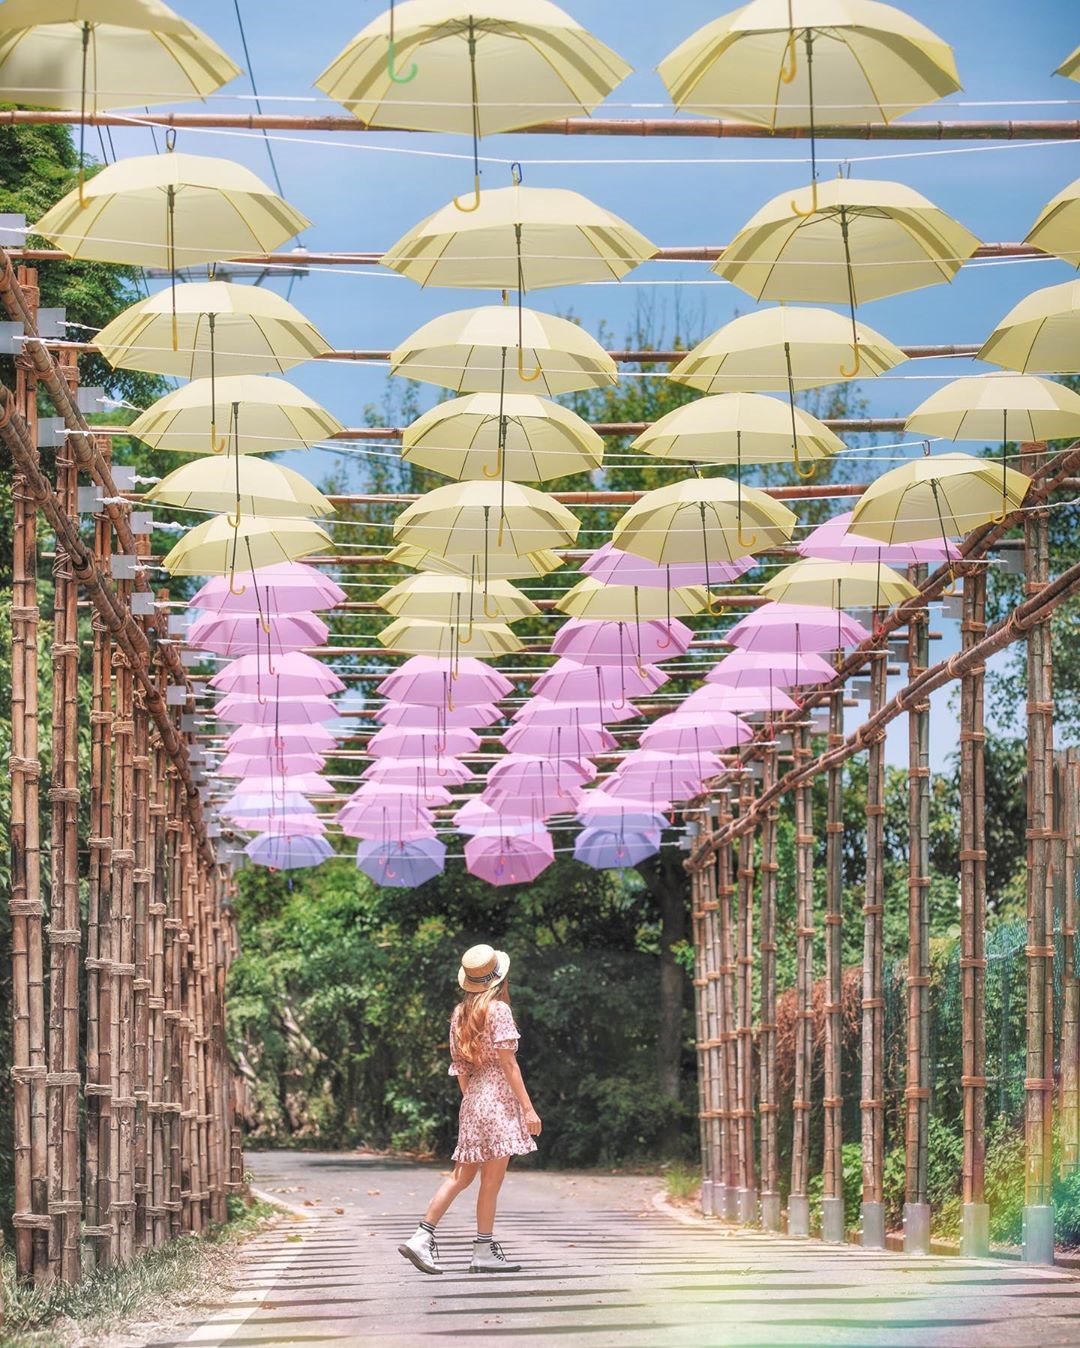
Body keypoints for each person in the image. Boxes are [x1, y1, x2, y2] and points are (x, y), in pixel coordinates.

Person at [399, 943, 541, 1275]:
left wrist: (472, 1102)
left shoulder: (459, 1014)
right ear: (498, 979)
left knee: (460, 1176)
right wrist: (528, 1108)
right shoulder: (499, 1011)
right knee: (491, 1181)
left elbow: (460, 1068)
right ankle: (481, 1249)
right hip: (498, 1098)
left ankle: (423, 1236)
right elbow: (509, 1064)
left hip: (473, 1099)